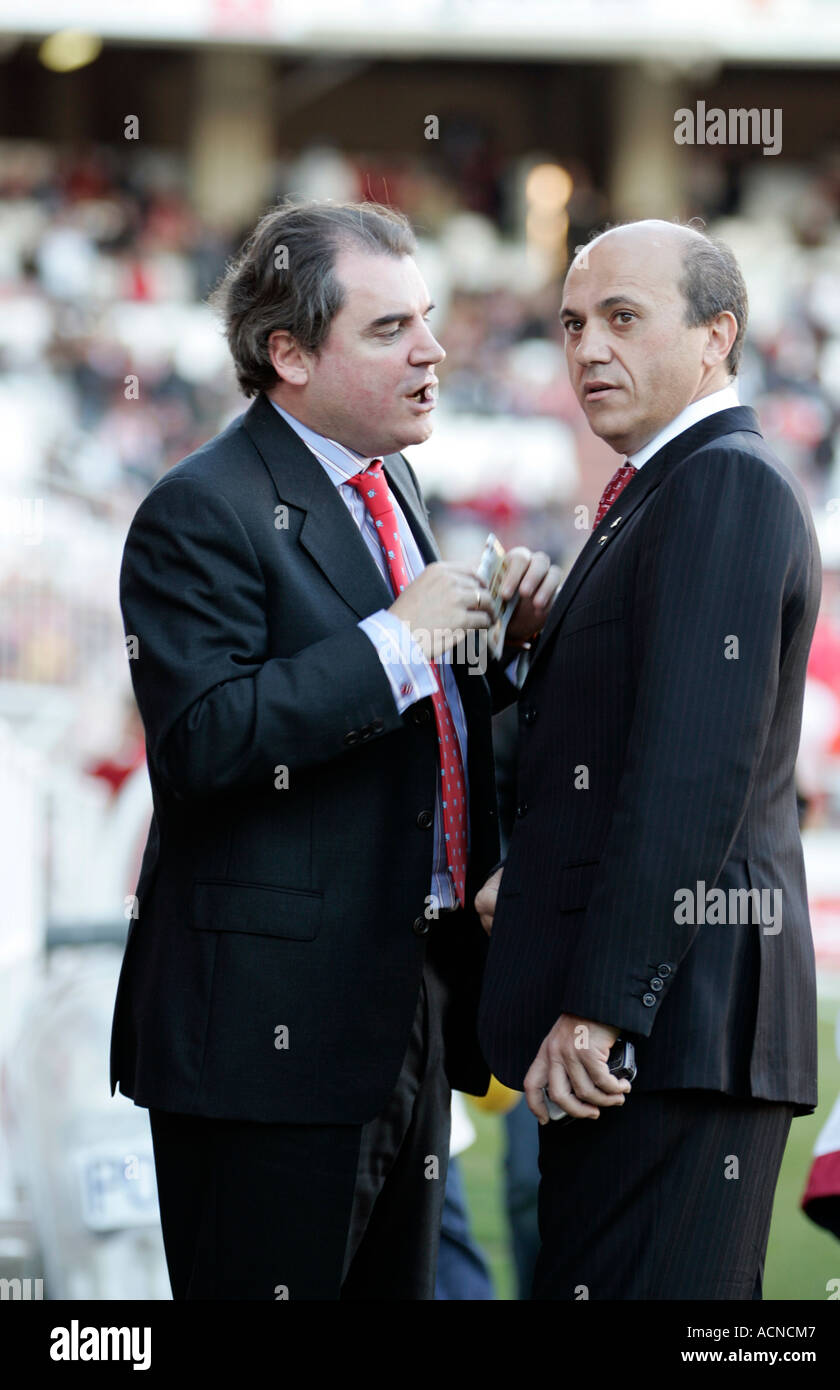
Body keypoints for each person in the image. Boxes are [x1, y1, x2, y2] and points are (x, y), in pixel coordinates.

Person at [109, 199, 559, 1300]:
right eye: (389, 329)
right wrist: (394, 639)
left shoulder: (388, 478)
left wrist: (499, 650)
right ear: (289, 354)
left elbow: (412, 727)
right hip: (269, 1035)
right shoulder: (198, 508)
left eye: (429, 318)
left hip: (402, 1004)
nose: (432, 350)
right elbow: (206, 740)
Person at [475, 219, 822, 1300]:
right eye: (573, 322)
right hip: (652, 1033)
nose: (585, 348)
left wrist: (604, 1008)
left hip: (667, 1029)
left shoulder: (720, 483)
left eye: (622, 318)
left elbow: (687, 770)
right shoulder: (667, 486)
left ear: (716, 335)